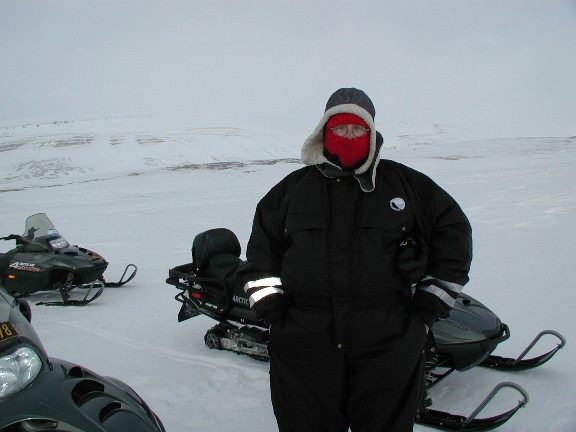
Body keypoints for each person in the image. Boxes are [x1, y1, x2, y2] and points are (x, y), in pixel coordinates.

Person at [242, 88, 472, 432]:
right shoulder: (292, 190)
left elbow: (453, 234)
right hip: (305, 341)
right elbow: (261, 256)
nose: (349, 136)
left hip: (389, 340)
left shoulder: (405, 185)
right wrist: (276, 316)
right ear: (324, 132)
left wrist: (424, 312)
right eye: (340, 128)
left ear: (372, 133)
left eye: (358, 129)